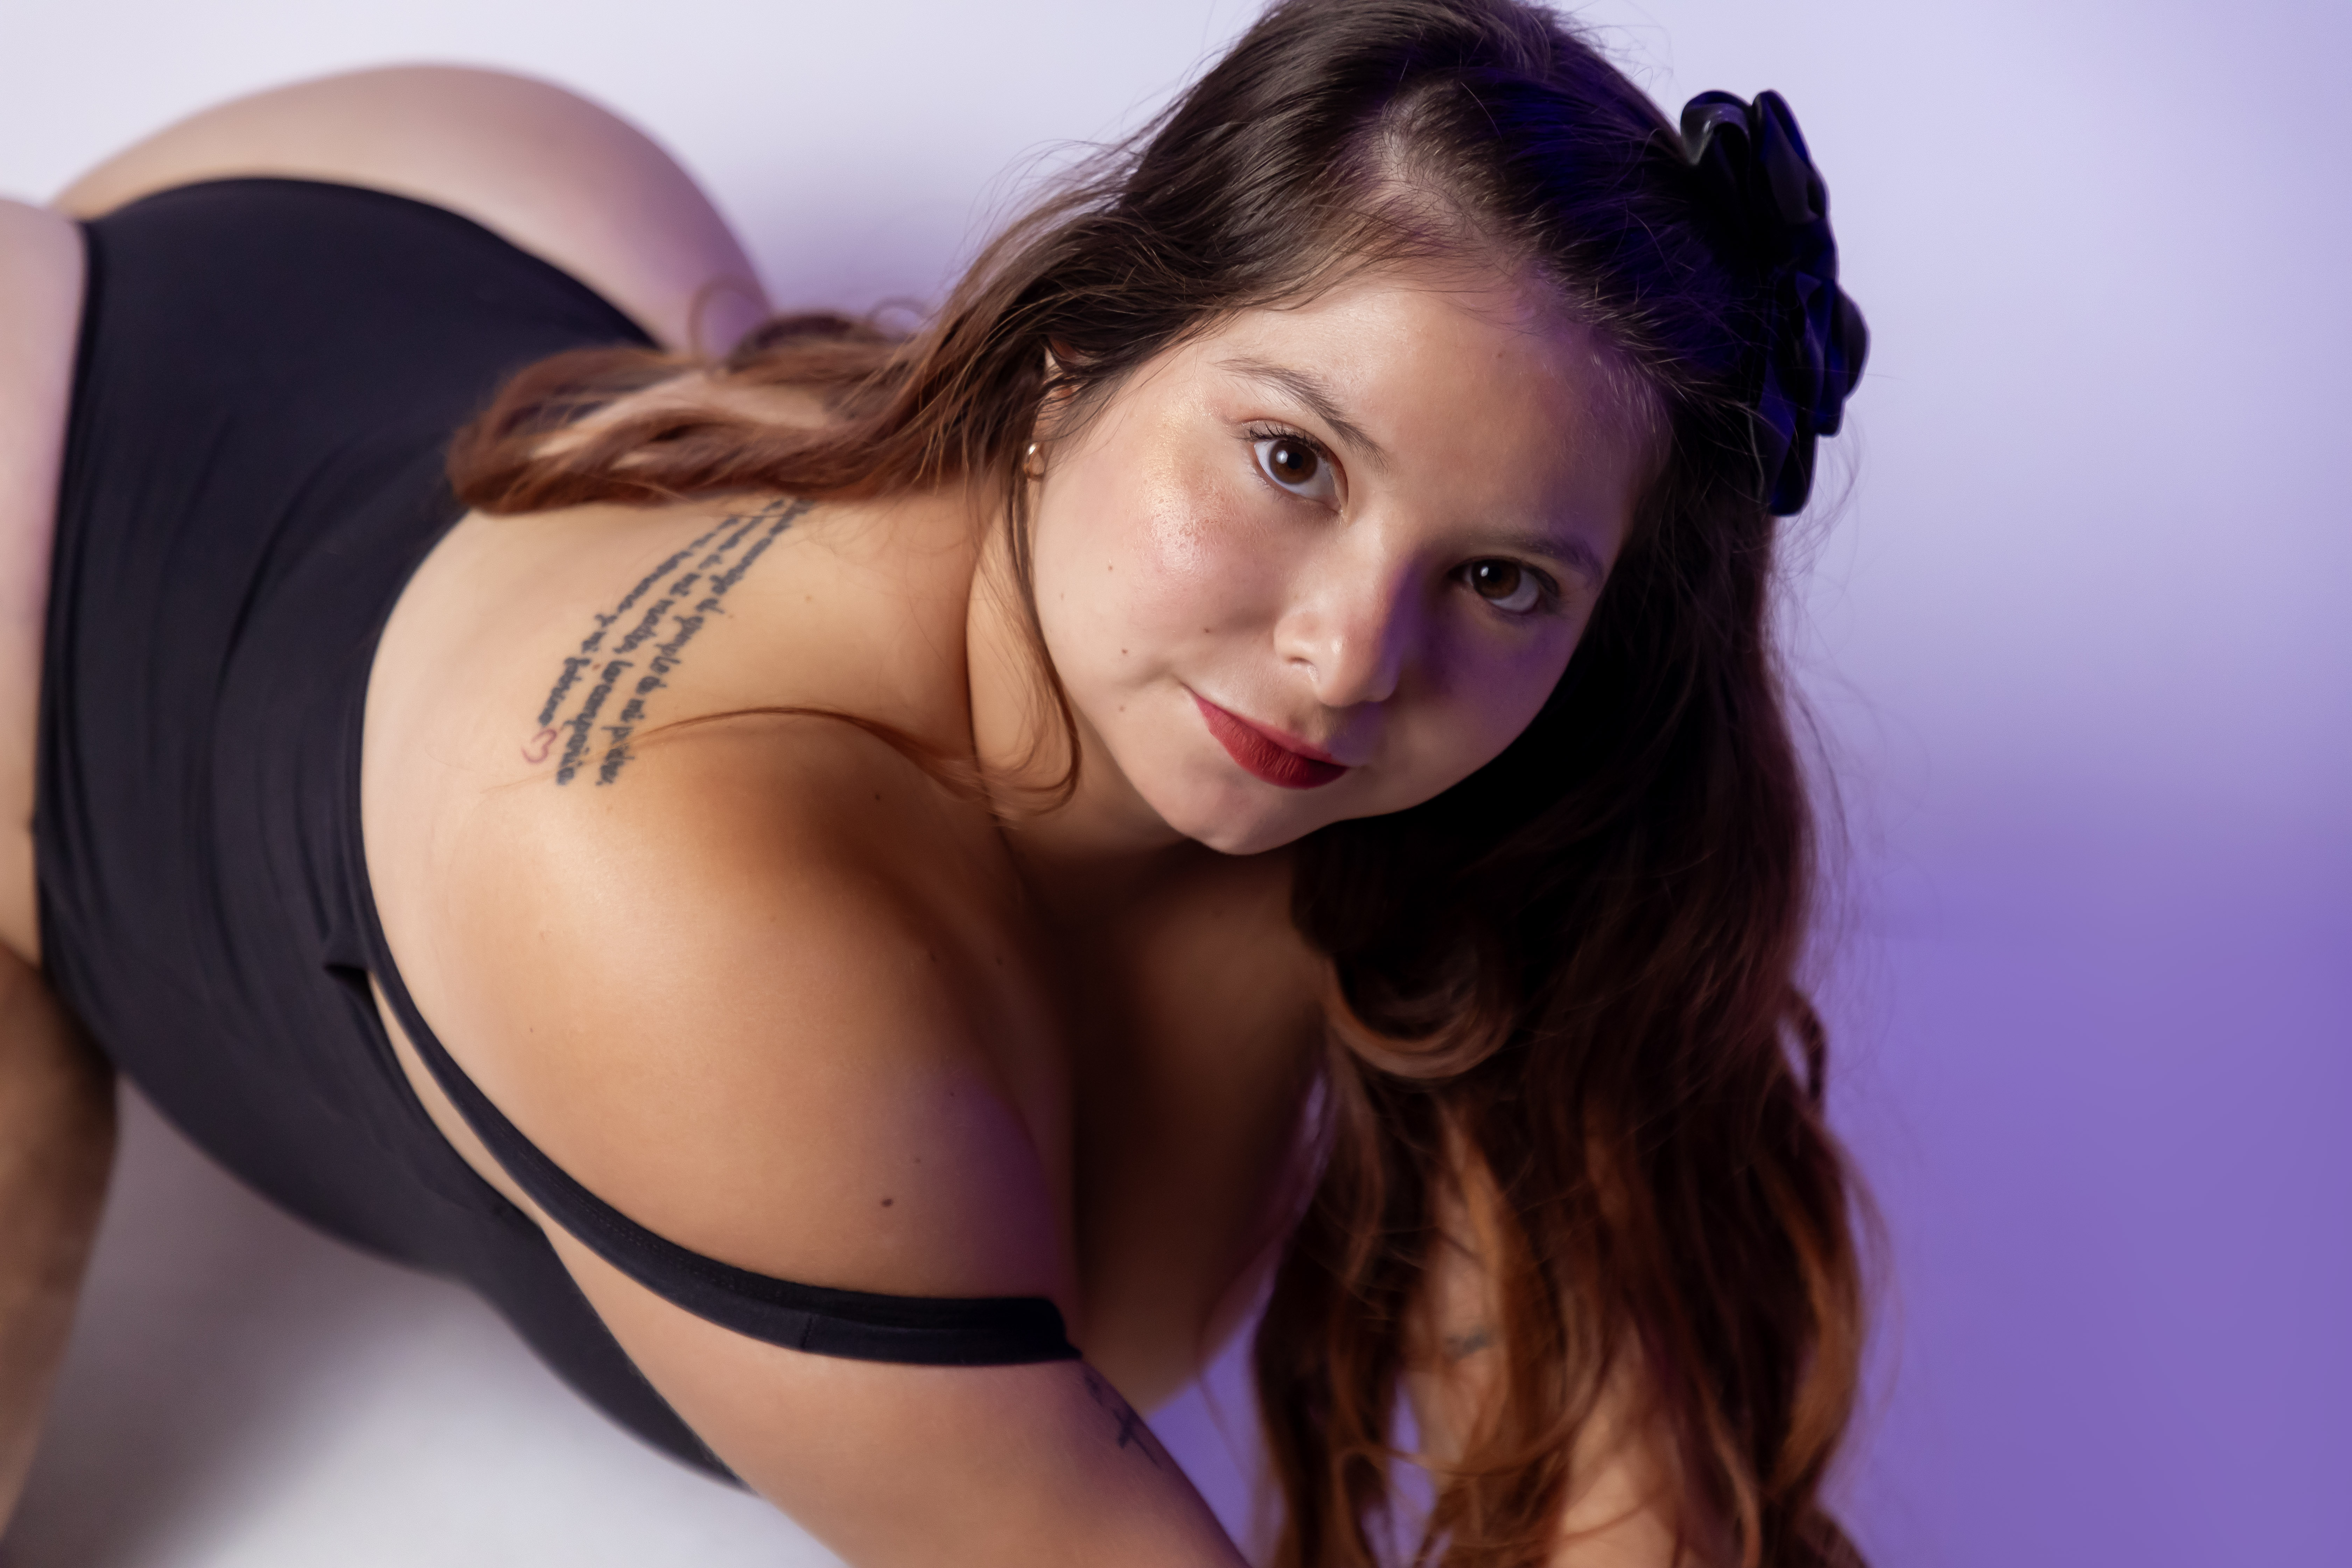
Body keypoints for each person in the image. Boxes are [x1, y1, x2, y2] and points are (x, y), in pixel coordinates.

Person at [0, 0, 1872, 1561]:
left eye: (1502, 577)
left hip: (545, 249)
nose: (1348, 657)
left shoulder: (1437, 748)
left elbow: (1619, 1472)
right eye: (1292, 461)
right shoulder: (673, 892)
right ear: (1075, 360)